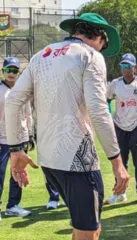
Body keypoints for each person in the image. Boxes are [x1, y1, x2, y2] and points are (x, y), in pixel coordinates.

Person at [4, 13, 129, 240]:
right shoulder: (90, 56)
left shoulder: (42, 54)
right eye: (105, 44)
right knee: (89, 231)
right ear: (99, 35)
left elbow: (12, 101)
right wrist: (117, 163)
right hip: (78, 161)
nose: (103, 49)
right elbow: (99, 111)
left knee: (86, 226)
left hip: (49, 160)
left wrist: (16, 150)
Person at [105, 53, 137, 206]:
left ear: (134, 68)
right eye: (123, 66)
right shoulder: (115, 84)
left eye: (128, 66)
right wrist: (109, 117)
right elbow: (107, 100)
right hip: (120, 127)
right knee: (121, 162)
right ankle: (120, 192)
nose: (125, 69)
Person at [0, 57, 34, 220]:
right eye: (8, 70)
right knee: (0, 173)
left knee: (18, 173)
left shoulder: (23, 91)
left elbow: (28, 114)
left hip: (21, 138)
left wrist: (30, 134)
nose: (11, 73)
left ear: (19, 73)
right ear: (3, 72)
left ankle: (13, 205)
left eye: (14, 70)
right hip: (2, 139)